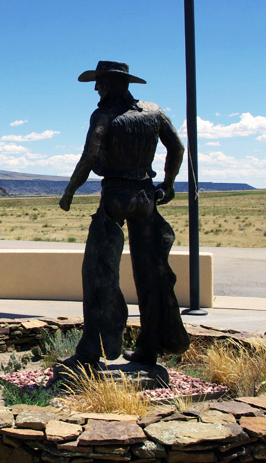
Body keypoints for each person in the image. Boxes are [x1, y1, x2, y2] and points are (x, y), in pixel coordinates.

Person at [59, 61, 189, 367]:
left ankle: (92, 351)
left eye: (100, 83)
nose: (96, 89)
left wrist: (69, 191)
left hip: (116, 196)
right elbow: (178, 148)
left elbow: (90, 156)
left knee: (98, 272)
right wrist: (168, 184)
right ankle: (150, 348)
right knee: (151, 274)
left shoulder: (104, 116)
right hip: (146, 196)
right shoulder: (153, 112)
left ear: (114, 84)